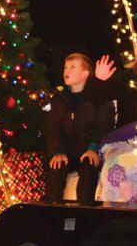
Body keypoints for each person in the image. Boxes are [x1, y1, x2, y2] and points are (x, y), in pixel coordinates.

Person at [44, 53, 115, 205]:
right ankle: (52, 210)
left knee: (88, 165)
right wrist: (58, 151)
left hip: (87, 148)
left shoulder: (96, 97)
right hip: (67, 149)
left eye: (72, 67)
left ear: (85, 74)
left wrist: (93, 148)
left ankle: (85, 208)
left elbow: (103, 125)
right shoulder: (59, 99)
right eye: (65, 68)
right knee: (55, 167)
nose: (66, 71)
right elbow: (52, 128)